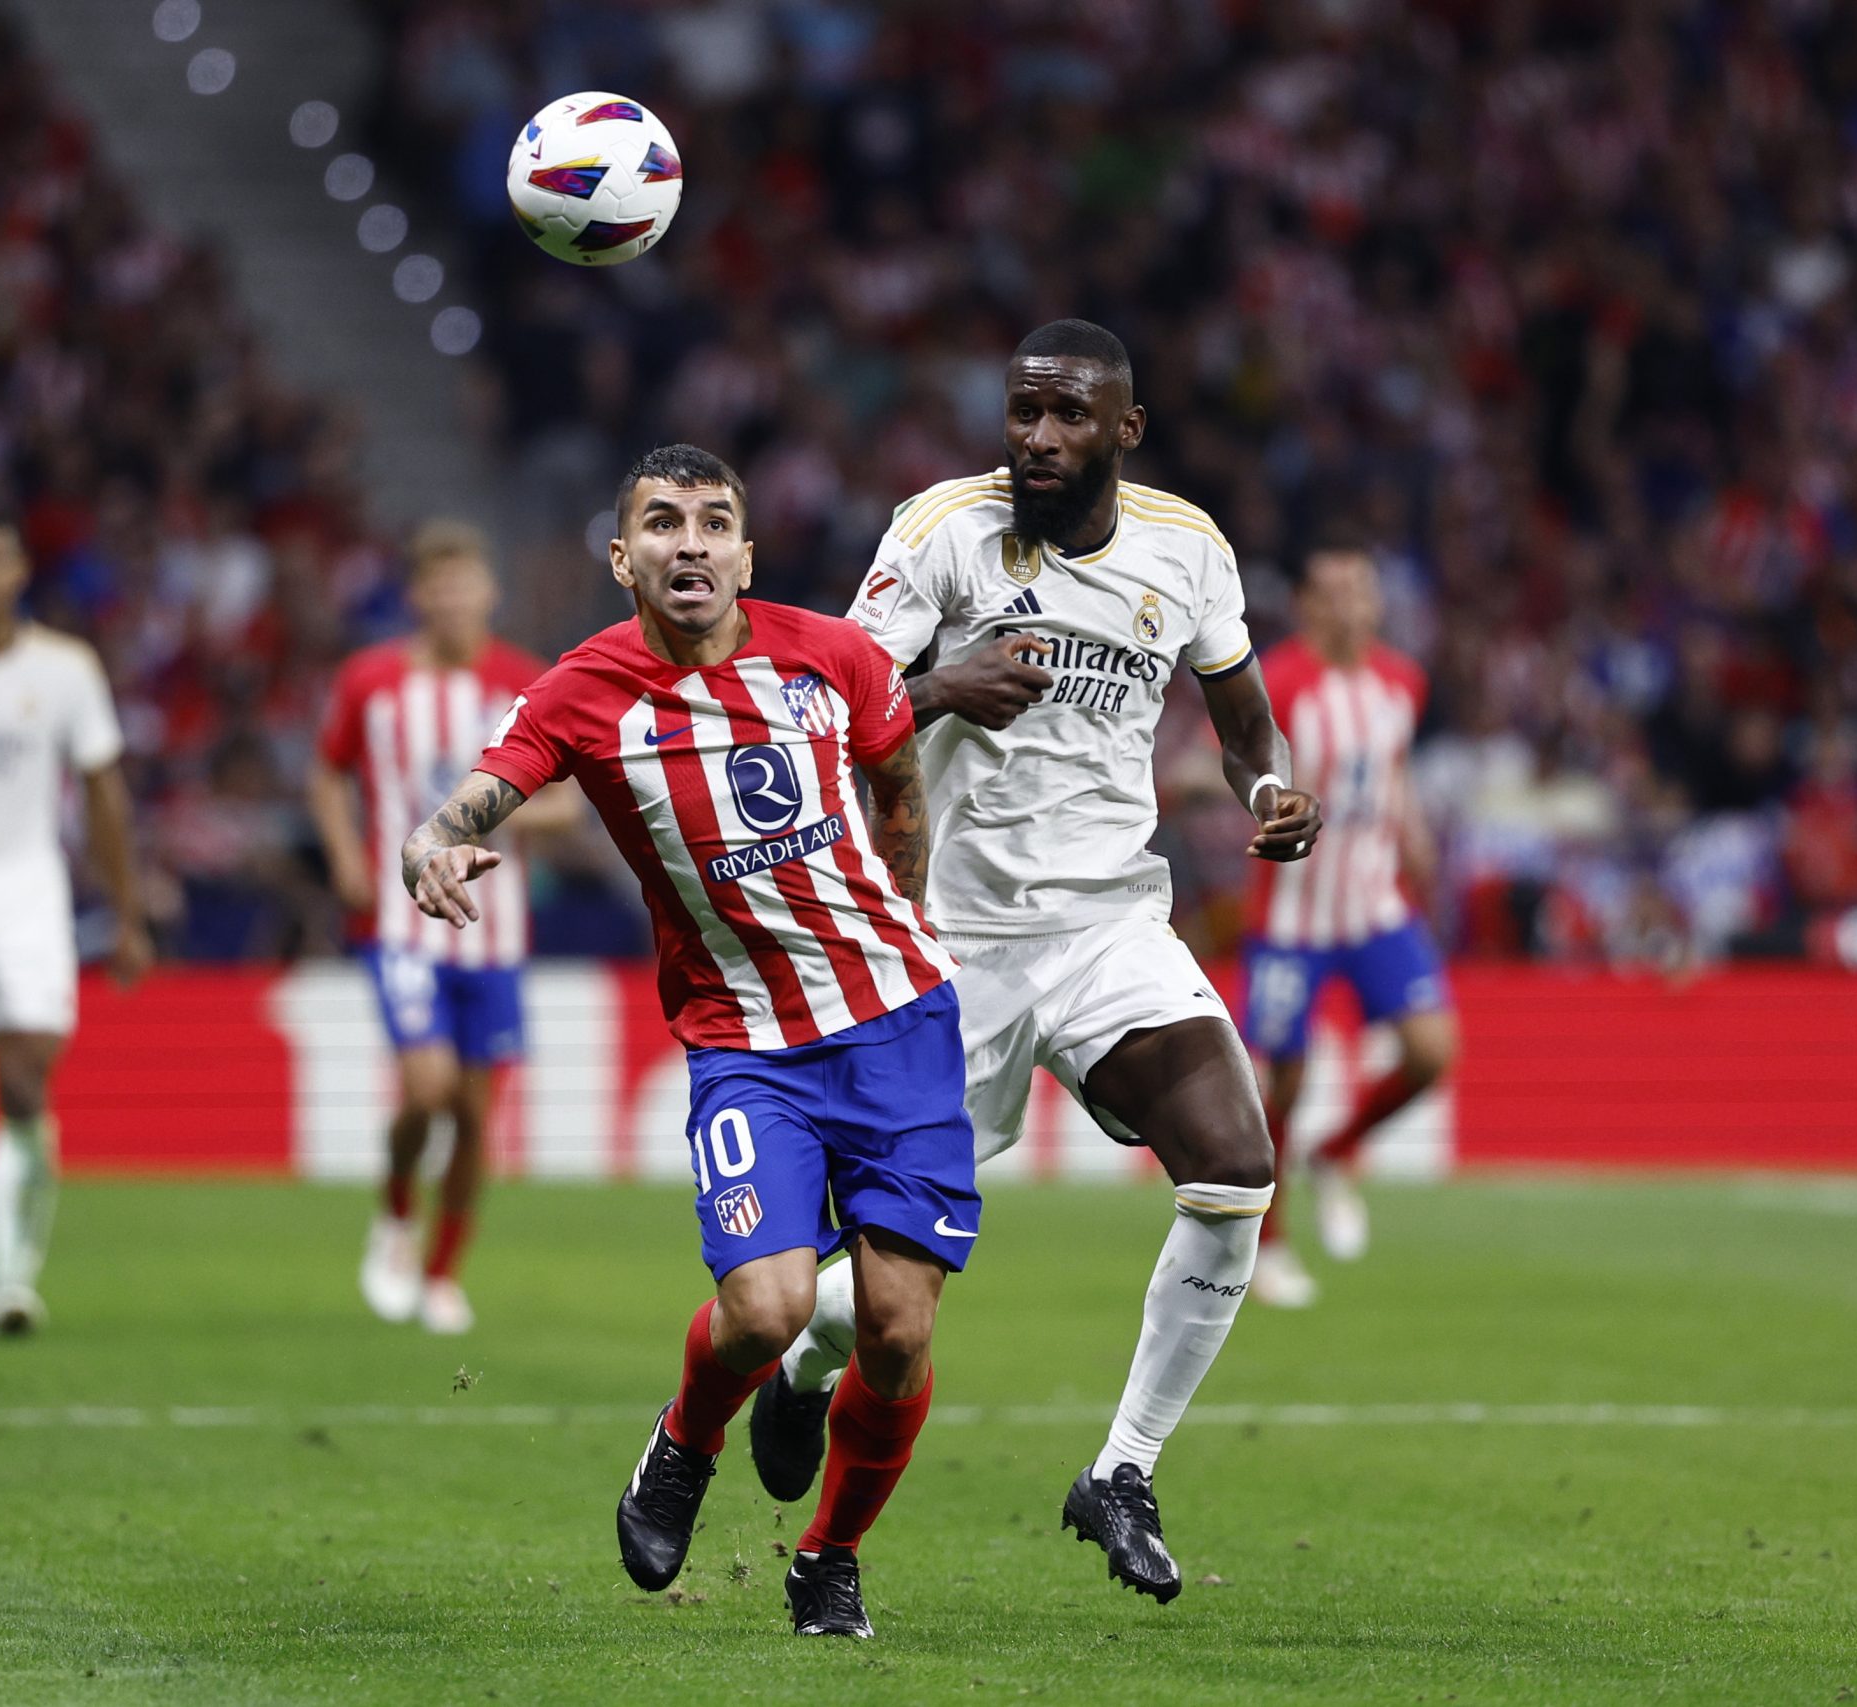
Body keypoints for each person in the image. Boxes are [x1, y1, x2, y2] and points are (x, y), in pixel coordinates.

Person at [758, 319, 1325, 1603]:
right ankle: (800, 1366)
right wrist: (942, 686)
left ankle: (1121, 1471)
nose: (1039, 438)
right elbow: (816, 710)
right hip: (948, 944)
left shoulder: (1187, 549)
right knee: (878, 1302)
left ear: (1125, 429)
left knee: (1236, 1168)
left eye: (1069, 416)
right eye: (1023, 411)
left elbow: (1245, 729)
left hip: (1110, 926)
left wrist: (1271, 790)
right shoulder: (941, 531)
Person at [401, 445, 975, 1639]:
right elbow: (472, 798)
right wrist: (431, 847)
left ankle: (828, 1559)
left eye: (715, 522)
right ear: (624, 559)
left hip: (897, 1024)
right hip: (745, 1044)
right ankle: (683, 1442)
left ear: (746, 556)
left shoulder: (834, 655)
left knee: (897, 1330)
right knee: (765, 1310)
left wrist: (906, 912)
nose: (691, 542)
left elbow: (896, 781)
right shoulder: (583, 689)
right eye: (663, 523)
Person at [308, 520, 571, 1335]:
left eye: (466, 585)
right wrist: (346, 854)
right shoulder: (370, 680)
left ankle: (443, 1271)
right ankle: (396, 1213)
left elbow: (566, 802)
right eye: (439, 586)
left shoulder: (526, 683)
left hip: (495, 932)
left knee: (473, 1116)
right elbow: (327, 771)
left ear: (489, 593)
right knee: (425, 1088)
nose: (454, 600)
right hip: (401, 922)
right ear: (417, 595)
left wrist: (504, 817)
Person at [0, 514, 150, 1343]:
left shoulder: (66, 668)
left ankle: (11, 1277)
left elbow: (103, 791)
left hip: (27, 897)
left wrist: (126, 912)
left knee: (22, 1081)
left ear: (21, 572)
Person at [1234, 536, 1458, 1309]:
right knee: (1284, 1084)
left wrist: (1415, 837)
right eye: (1331, 592)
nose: (1348, 605)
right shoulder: (1280, 680)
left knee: (1432, 1051)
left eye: (1360, 589)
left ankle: (1335, 1152)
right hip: (1292, 917)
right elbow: (1239, 758)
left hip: (1375, 907)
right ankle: (1268, 1241)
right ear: (1304, 605)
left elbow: (1391, 772)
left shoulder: (1402, 681)